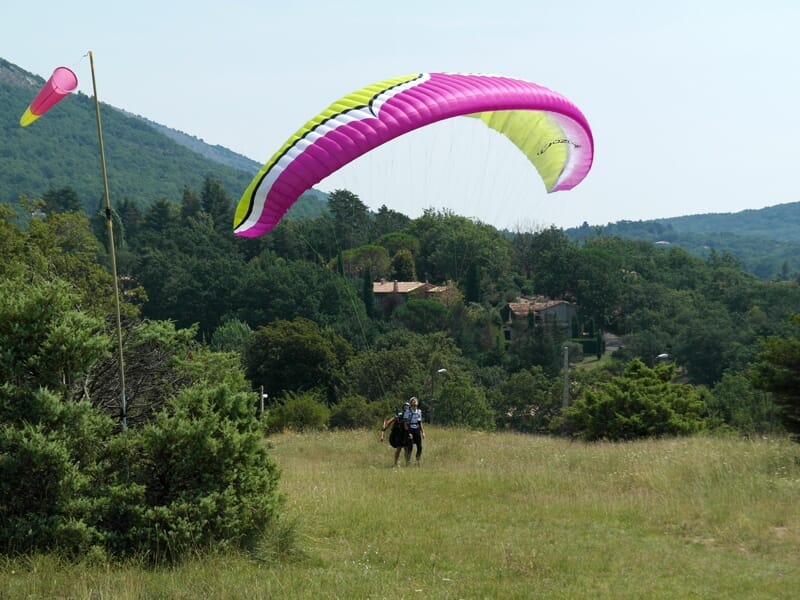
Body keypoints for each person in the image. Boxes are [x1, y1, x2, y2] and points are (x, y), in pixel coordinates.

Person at [380, 402, 411, 467]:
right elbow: (389, 422)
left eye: (407, 407)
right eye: (405, 407)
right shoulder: (399, 415)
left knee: (406, 449)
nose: (406, 408)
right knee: (399, 449)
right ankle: (395, 463)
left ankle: (407, 464)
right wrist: (383, 431)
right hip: (399, 434)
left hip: (406, 434)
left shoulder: (410, 416)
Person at [407, 396, 424, 466]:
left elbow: (420, 422)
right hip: (410, 428)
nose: (415, 401)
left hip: (417, 428)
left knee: (420, 447)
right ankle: (407, 461)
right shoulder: (408, 412)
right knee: (410, 447)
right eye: (413, 401)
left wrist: (423, 432)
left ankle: (417, 461)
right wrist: (408, 433)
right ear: (411, 403)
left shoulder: (419, 411)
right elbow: (406, 423)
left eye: (416, 400)